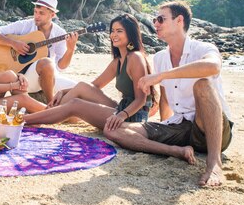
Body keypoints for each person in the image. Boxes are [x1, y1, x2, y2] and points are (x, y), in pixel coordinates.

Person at [104, 1, 233, 187]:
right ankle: (175, 151)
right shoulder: (160, 58)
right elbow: (165, 99)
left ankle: (214, 164)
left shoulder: (203, 48)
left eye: (160, 19)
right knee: (112, 129)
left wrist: (161, 76)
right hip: (181, 127)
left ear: (179, 20)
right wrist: (164, 129)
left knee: (203, 85)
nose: (155, 23)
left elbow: (212, 66)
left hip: (211, 127)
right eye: (155, 19)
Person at [24, 14, 157, 131]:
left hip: (132, 116)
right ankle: (41, 116)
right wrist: (62, 92)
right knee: (82, 86)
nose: (114, 35)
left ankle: (26, 119)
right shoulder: (118, 61)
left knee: (75, 104)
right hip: (122, 109)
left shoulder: (135, 57)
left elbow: (141, 99)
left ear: (130, 34)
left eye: (119, 31)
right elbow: (94, 86)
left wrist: (120, 115)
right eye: (112, 31)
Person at [0, 0, 79, 103]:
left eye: (41, 13)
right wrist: (13, 43)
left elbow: (60, 67)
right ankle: (50, 105)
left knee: (78, 88)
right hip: (22, 77)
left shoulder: (60, 34)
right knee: (46, 62)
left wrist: (70, 50)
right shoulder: (24, 25)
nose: (36, 16)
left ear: (52, 14)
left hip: (48, 78)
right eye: (35, 12)